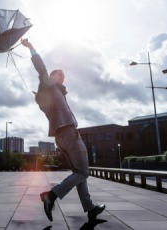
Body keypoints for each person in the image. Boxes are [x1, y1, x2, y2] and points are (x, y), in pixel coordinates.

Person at [21, 38, 105, 222]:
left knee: (79, 173)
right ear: (51, 77)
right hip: (68, 133)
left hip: (62, 136)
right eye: (60, 75)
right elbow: (41, 68)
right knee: (83, 173)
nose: (63, 77)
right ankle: (51, 196)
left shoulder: (51, 93)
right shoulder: (50, 87)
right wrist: (32, 47)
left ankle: (90, 208)